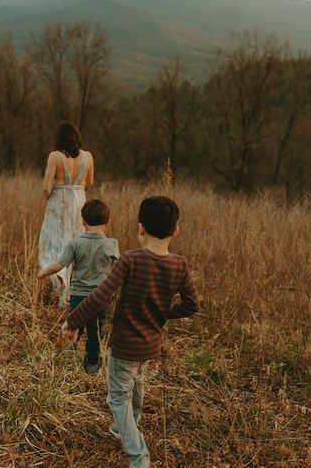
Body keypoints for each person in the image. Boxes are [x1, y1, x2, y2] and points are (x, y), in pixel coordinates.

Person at [61, 196, 200, 468]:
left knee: (117, 397)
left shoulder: (130, 260)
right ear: (175, 231)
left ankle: (138, 455)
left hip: (124, 344)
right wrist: (165, 313)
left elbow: (100, 297)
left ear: (140, 228)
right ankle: (128, 425)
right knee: (136, 382)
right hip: (150, 344)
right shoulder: (179, 265)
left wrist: (73, 320)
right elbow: (192, 304)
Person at [38, 198, 119, 373]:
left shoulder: (75, 244)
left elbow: (59, 265)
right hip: (99, 298)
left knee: (76, 324)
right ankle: (92, 364)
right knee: (95, 330)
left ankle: (71, 350)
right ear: (108, 222)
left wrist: (44, 272)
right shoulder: (111, 245)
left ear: (83, 221)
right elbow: (120, 270)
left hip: (77, 295)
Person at [38, 122, 94, 306]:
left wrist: (52, 198)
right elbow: (90, 182)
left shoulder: (54, 156)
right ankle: (74, 291)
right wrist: (76, 191)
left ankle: (59, 284)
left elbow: (46, 186)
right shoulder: (88, 157)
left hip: (58, 201)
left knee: (54, 243)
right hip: (79, 200)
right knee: (76, 243)